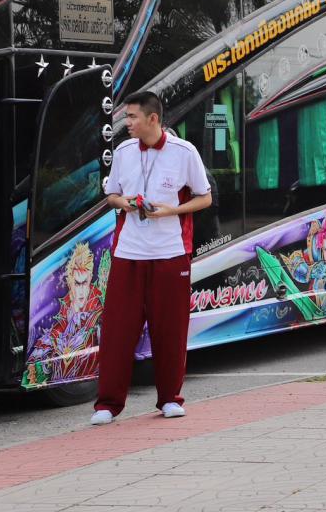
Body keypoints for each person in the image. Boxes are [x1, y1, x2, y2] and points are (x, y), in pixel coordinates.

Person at [92, 91, 212, 425]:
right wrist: (125, 202)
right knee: (117, 330)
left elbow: (205, 198)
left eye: (132, 117)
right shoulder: (123, 151)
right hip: (128, 252)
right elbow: (112, 196)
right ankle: (107, 404)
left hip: (170, 252)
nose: (126, 123)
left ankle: (170, 399)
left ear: (152, 118)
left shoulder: (184, 151)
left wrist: (172, 210)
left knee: (170, 329)